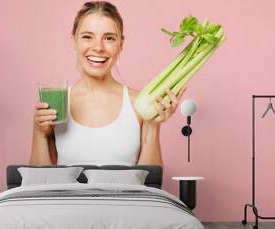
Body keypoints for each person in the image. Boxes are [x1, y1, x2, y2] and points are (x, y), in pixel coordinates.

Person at [29, 1, 187, 167]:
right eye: (87, 37)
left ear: (121, 44)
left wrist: (153, 126)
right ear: (74, 40)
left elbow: (150, 183)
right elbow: (40, 184)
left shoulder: (137, 104)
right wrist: (39, 131)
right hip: (68, 195)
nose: (98, 47)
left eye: (109, 38)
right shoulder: (56, 105)